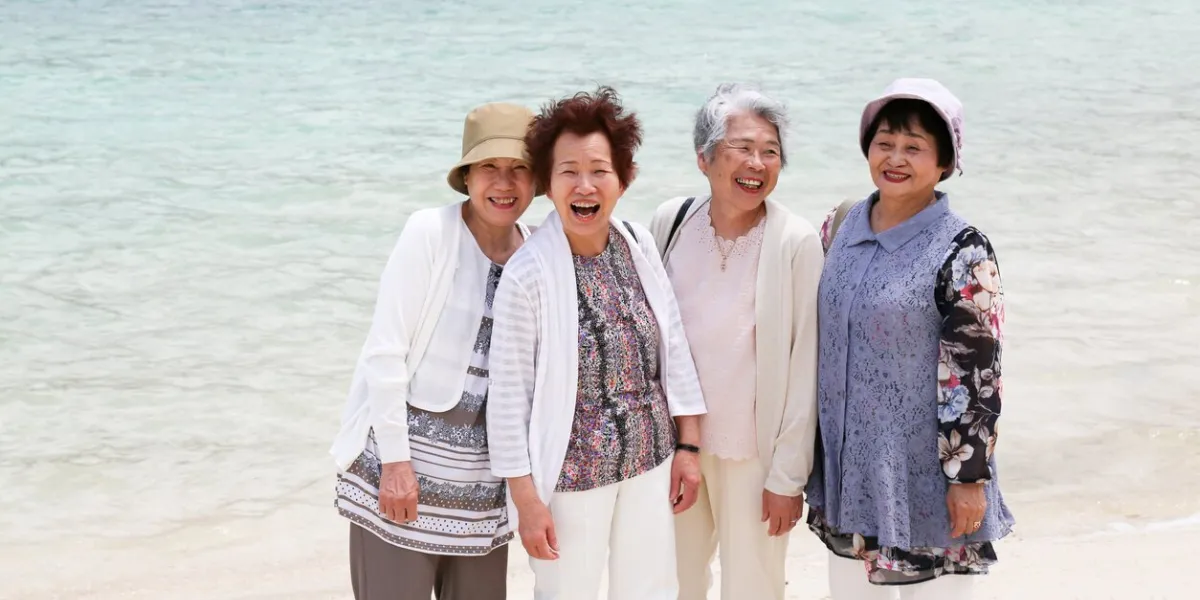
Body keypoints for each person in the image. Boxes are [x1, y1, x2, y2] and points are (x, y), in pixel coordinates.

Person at [486, 86, 706, 600]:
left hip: (651, 462)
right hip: (571, 478)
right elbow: (508, 399)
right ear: (547, 182)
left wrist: (689, 447)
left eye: (599, 170)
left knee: (651, 591)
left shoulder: (637, 242)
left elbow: (673, 348)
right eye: (568, 171)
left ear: (623, 180)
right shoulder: (527, 274)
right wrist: (527, 502)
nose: (584, 186)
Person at [804, 78, 1016, 600]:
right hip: (851, 473)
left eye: (914, 147)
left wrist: (969, 478)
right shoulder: (841, 225)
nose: (895, 157)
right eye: (885, 142)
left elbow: (978, 373)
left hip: (928, 478)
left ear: (945, 163)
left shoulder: (964, 250)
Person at [329, 102, 538, 600]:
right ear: (467, 176)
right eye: (490, 168)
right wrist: (396, 465)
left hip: (482, 493)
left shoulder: (537, 252)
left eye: (519, 170)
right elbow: (385, 353)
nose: (504, 184)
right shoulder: (430, 232)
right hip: (405, 482)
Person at [648, 83, 823, 600]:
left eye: (770, 152)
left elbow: (805, 365)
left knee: (754, 588)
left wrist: (788, 477)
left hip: (754, 457)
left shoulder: (795, 240)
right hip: (676, 448)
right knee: (672, 582)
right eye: (741, 148)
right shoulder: (670, 222)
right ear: (704, 158)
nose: (757, 163)